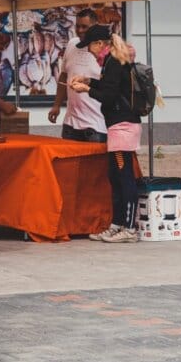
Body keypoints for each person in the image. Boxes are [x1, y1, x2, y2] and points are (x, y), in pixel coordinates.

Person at [69, 25, 142, 243]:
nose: (89, 51)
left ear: (100, 44)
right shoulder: (112, 61)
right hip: (117, 126)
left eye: (90, 46)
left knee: (124, 177)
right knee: (115, 175)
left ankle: (129, 229)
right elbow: (111, 87)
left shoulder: (114, 62)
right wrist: (90, 81)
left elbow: (109, 96)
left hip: (123, 126)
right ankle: (116, 224)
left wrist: (86, 90)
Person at [47, 8, 108, 142]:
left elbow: (109, 87)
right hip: (70, 123)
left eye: (84, 27)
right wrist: (57, 105)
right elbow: (63, 76)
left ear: (94, 26)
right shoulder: (72, 44)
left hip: (96, 125)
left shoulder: (104, 49)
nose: (80, 30)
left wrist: (87, 86)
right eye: (78, 26)